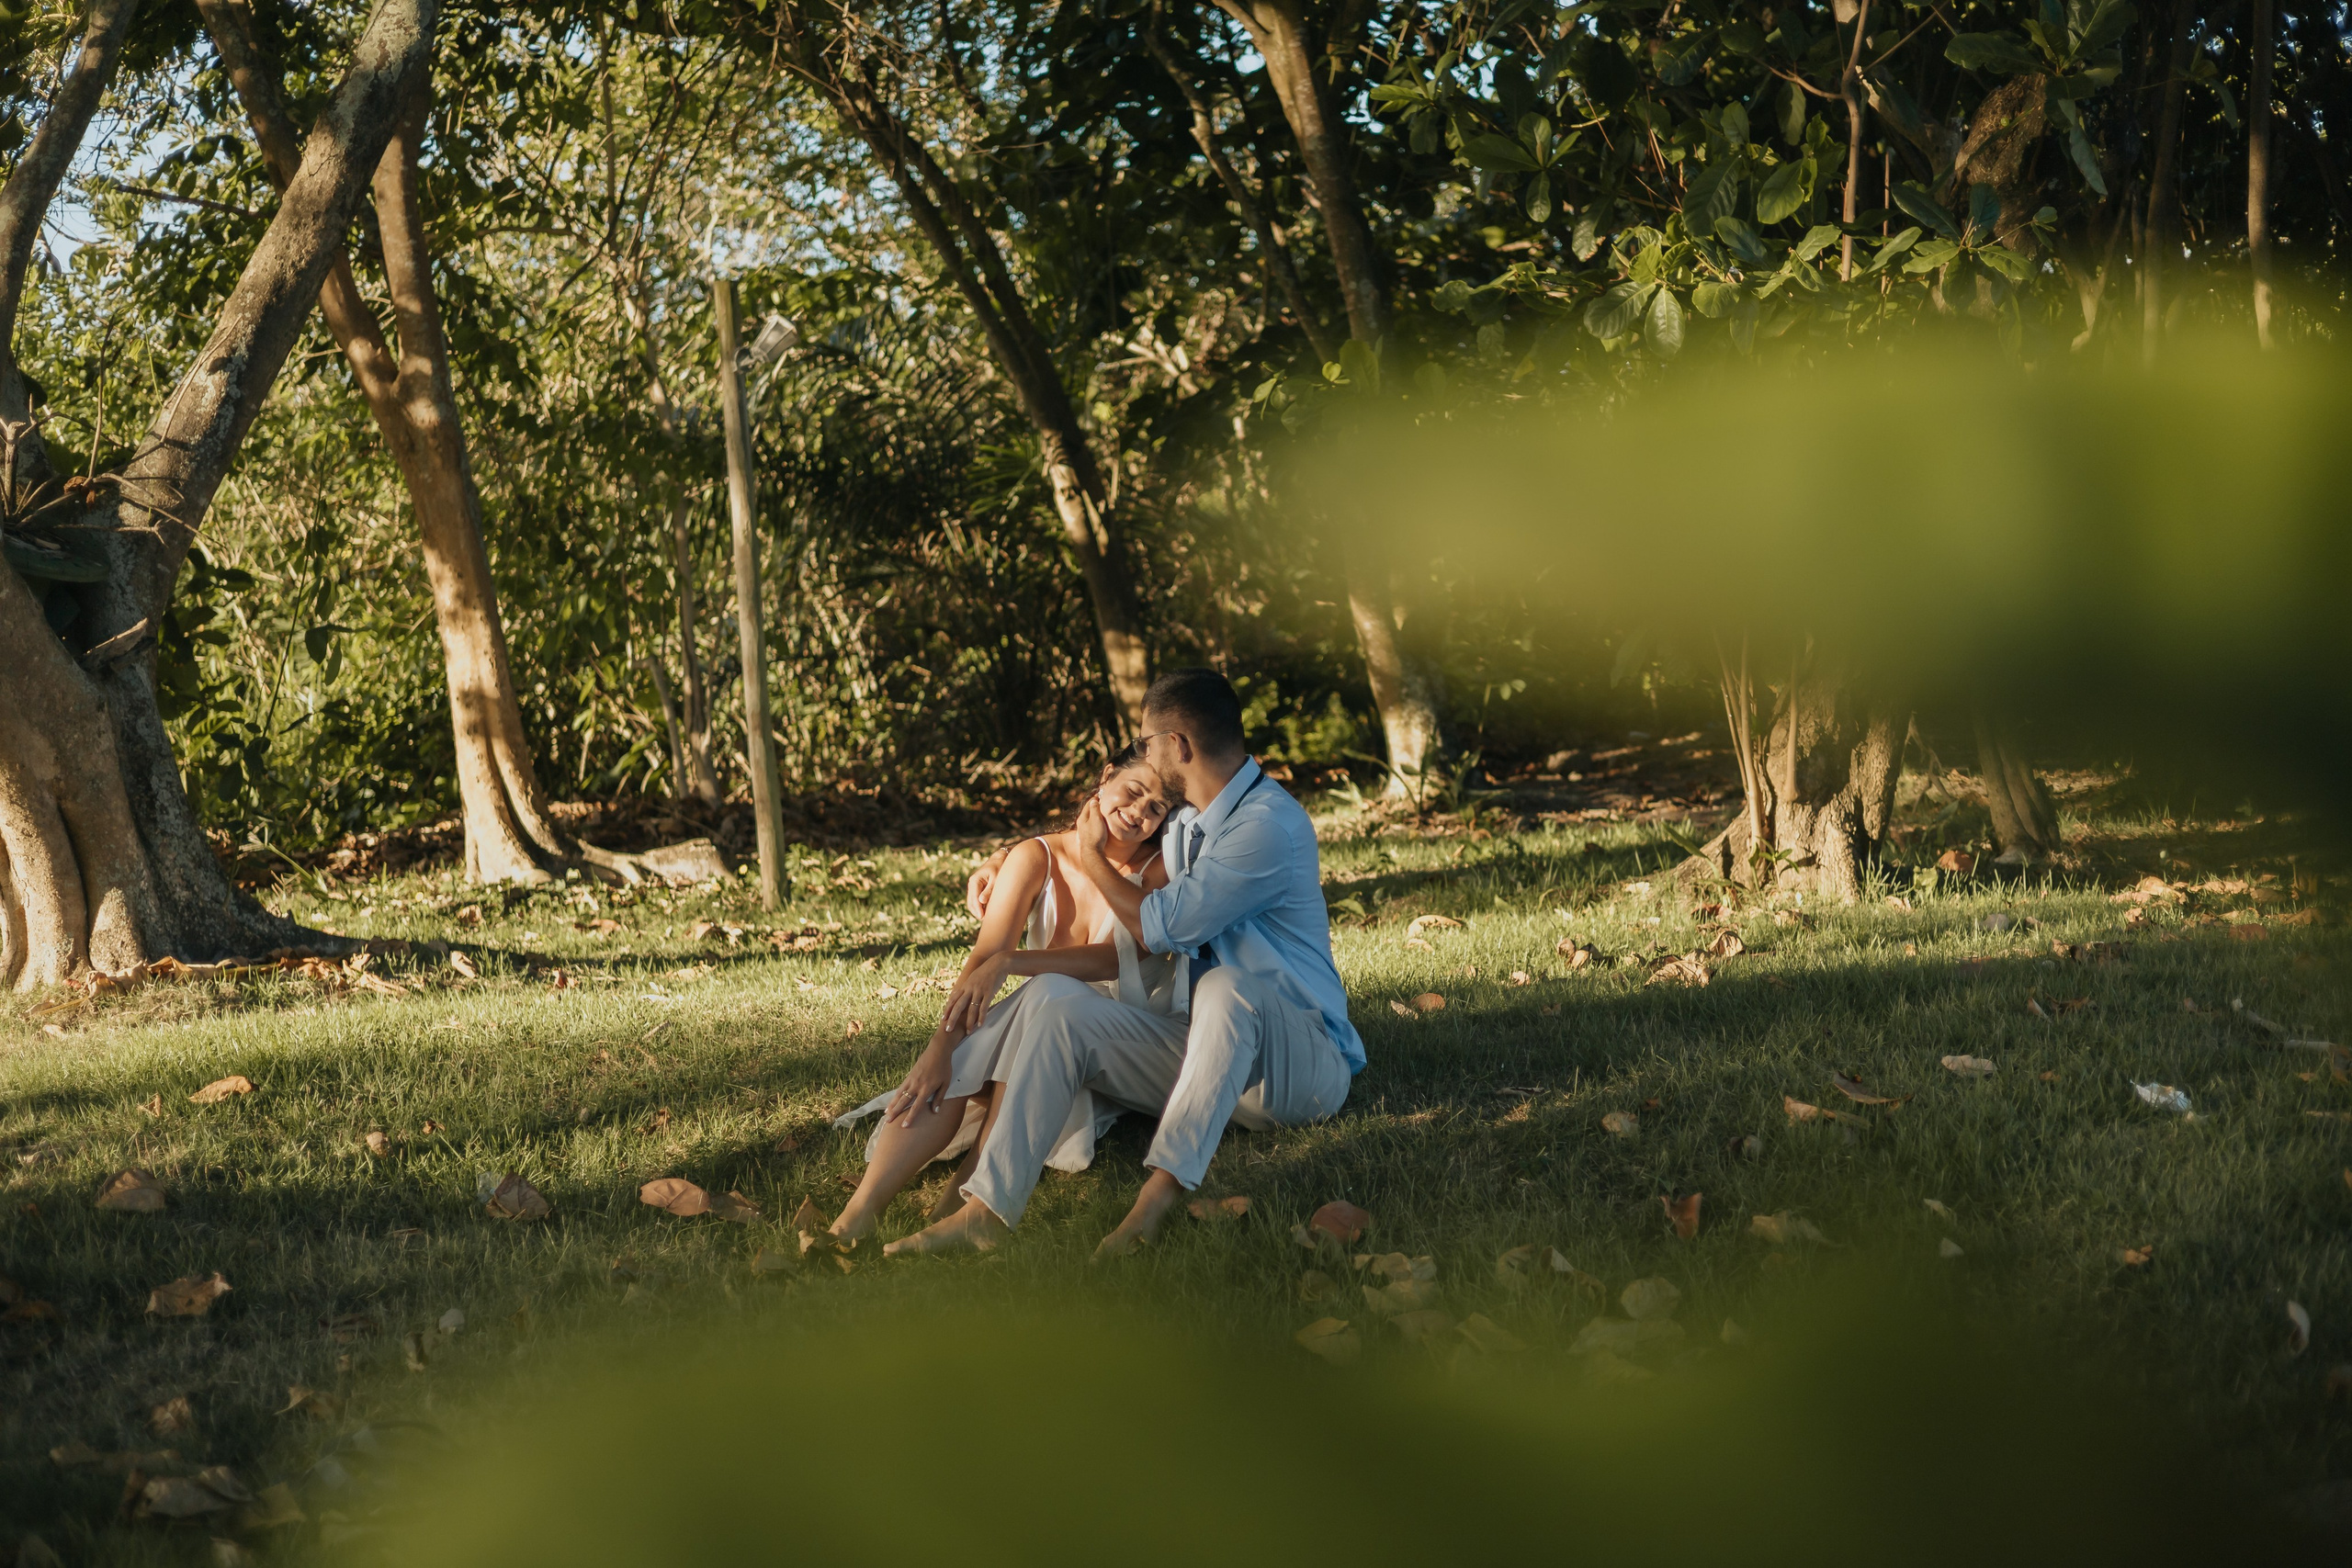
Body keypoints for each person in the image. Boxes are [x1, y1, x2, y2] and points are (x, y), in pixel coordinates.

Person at [886, 667, 1363, 1259]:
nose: (1141, 752)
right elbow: (1104, 832)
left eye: (1147, 741)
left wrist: (1088, 856)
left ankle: (1154, 1201)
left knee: (1225, 987)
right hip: (1206, 1061)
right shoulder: (1188, 819)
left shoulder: (1265, 827)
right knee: (1061, 1006)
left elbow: (1161, 926)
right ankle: (986, 1209)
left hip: (1298, 1070)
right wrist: (1007, 859)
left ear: (1178, 746)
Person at [824, 742, 1182, 1243]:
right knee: (961, 1055)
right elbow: (981, 958)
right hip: (1034, 1018)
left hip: (1110, 1034)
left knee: (1043, 999)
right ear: (1105, 778)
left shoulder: (1159, 870)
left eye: (1156, 808)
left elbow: (1120, 958)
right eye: (1133, 791)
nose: (1138, 813)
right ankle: (861, 1208)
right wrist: (938, 1049)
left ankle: (968, 1180)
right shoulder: (1035, 856)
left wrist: (1012, 961)